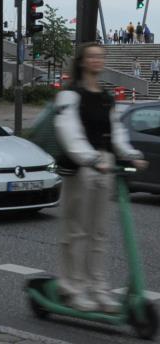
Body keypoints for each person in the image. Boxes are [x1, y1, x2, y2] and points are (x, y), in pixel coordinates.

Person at [54, 43, 147, 313]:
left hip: (104, 165)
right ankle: (73, 288)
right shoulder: (70, 95)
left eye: (100, 56)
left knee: (99, 233)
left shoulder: (106, 97)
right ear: (82, 62)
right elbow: (69, 131)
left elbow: (115, 131)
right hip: (81, 167)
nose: (97, 60)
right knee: (77, 230)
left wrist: (130, 154)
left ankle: (98, 287)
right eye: (92, 56)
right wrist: (89, 158)